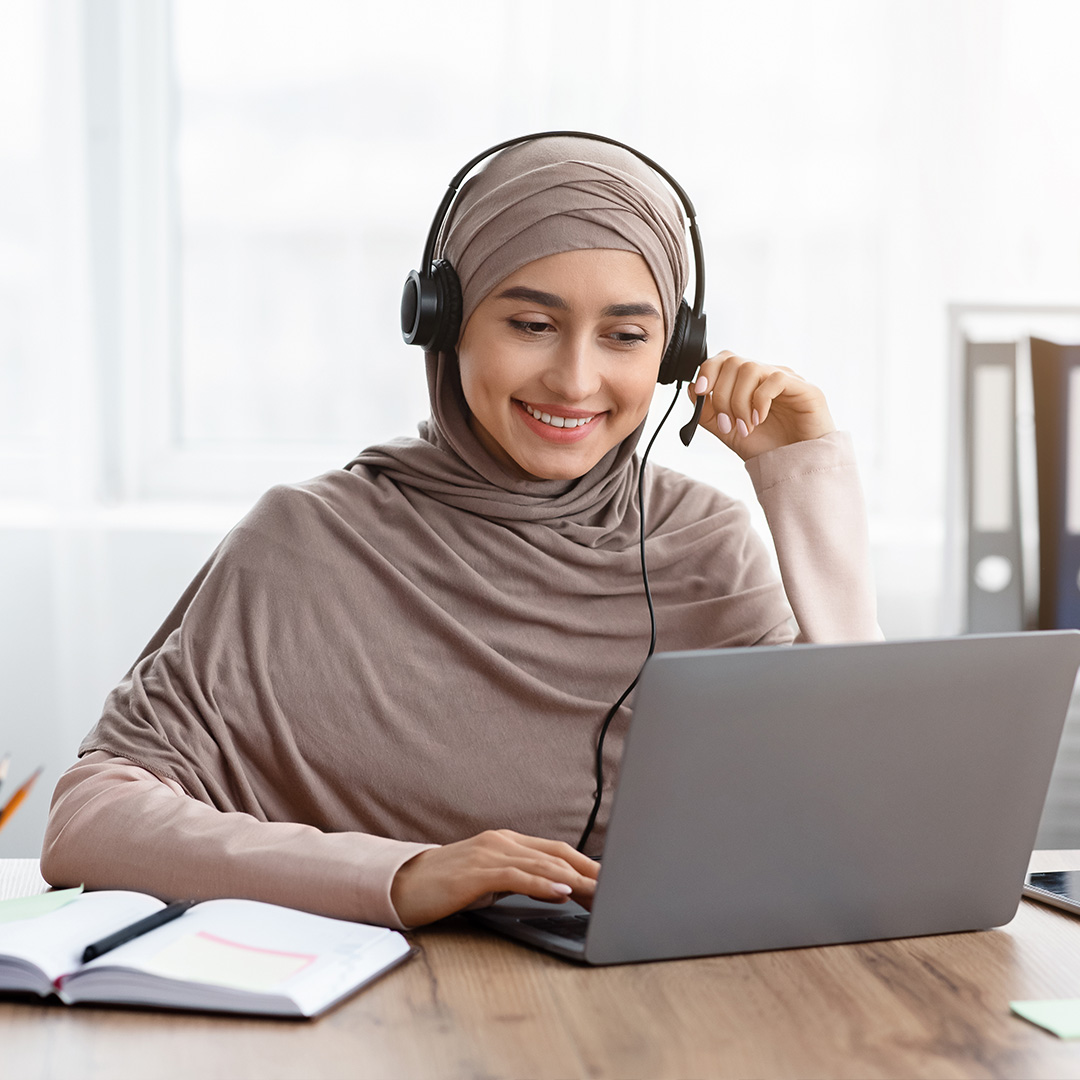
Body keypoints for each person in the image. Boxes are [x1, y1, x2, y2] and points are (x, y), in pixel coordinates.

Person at [41, 135, 879, 930]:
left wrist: (803, 481)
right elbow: (91, 819)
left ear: (671, 353)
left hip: (658, 1015)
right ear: (445, 324)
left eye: (625, 337)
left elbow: (861, 812)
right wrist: (402, 873)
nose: (576, 379)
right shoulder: (309, 542)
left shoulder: (703, 547)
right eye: (531, 325)